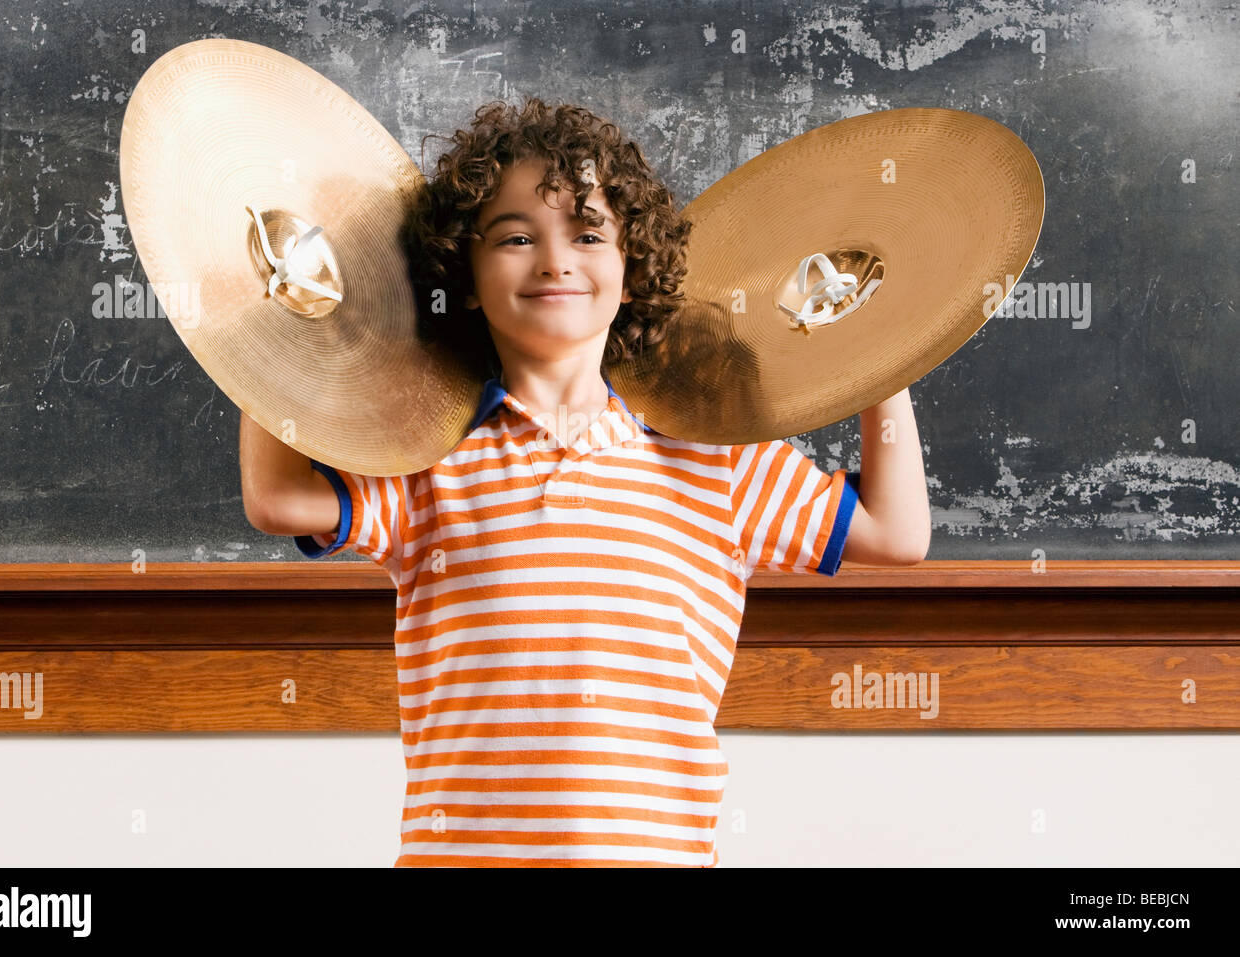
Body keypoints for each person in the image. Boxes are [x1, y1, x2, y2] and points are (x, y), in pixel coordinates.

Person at [239, 97, 931, 867]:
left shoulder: (716, 457)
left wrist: (875, 347)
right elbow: (277, 498)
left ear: (633, 270)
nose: (555, 259)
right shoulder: (427, 453)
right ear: (465, 277)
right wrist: (280, 322)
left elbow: (896, 532)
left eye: (589, 232)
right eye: (514, 237)